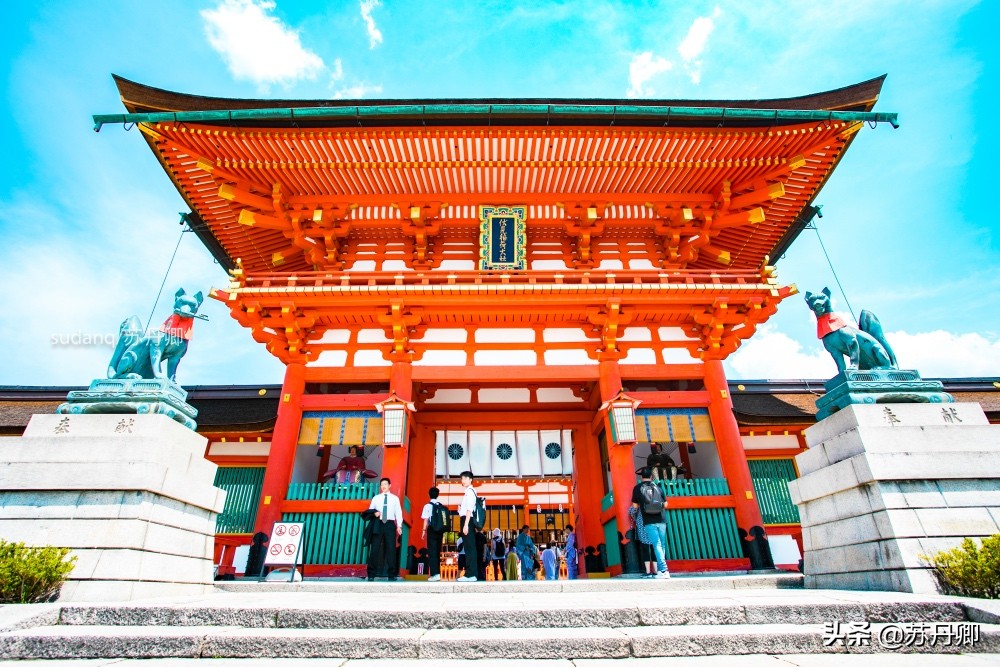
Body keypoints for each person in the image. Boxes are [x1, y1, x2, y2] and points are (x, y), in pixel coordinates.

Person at [631, 467, 670, 579]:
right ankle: (662, 570)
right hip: (662, 519)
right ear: (652, 477)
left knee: (656, 544)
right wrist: (657, 506)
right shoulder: (657, 487)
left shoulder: (638, 488)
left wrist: (644, 506)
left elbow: (634, 506)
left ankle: (664, 570)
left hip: (649, 520)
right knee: (661, 545)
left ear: (641, 477)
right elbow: (666, 504)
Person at [366, 477, 403, 581]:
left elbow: (398, 512)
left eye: (385, 484)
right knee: (374, 549)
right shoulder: (376, 498)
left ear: (389, 485)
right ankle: (371, 574)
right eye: (382, 485)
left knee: (391, 549)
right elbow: (370, 511)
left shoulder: (395, 498)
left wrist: (399, 526)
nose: (383, 486)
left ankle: (391, 575)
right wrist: (374, 513)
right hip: (378, 524)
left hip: (390, 524)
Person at [456, 470, 479, 582]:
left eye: (465, 478)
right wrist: (460, 511)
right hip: (466, 519)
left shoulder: (470, 491)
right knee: (469, 547)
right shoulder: (468, 491)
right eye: (462, 478)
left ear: (470, 479)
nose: (463, 480)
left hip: (467, 521)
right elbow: (467, 509)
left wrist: (466, 525)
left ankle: (471, 574)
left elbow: (469, 509)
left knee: (469, 548)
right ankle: (470, 574)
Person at [420, 486, 446, 582]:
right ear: (438, 495)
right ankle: (437, 573)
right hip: (440, 531)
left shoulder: (427, 506)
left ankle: (435, 574)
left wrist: (423, 531)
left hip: (431, 530)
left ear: (429, 494)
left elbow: (426, 520)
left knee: (432, 552)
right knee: (437, 552)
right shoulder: (441, 506)